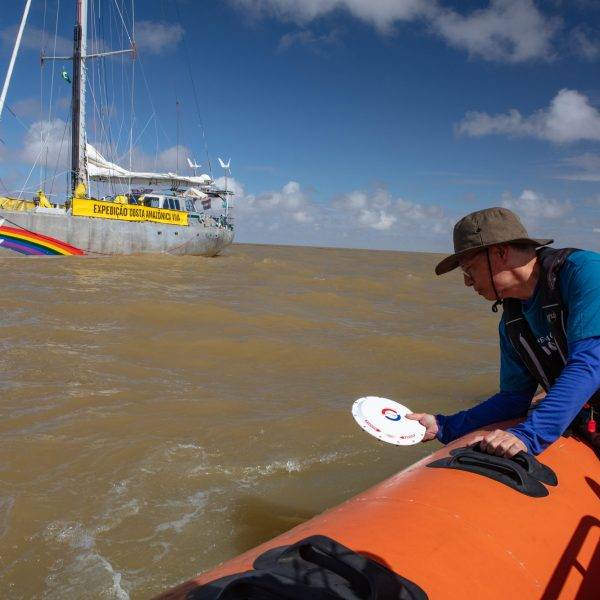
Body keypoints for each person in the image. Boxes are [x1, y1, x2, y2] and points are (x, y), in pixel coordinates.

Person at [407, 207, 600, 458]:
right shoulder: (512, 322)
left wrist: (528, 435)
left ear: (500, 252)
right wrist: (444, 425)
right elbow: (513, 399)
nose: (467, 281)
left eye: (469, 269)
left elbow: (590, 362)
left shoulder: (585, 272)